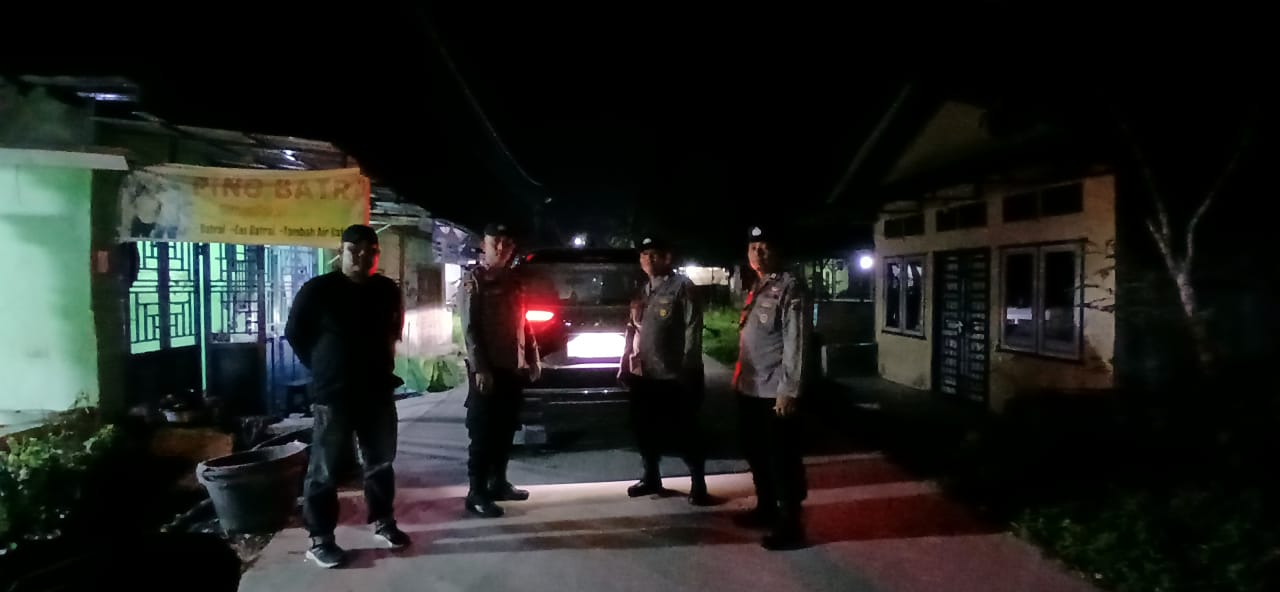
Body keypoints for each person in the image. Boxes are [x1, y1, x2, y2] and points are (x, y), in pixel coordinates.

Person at [284, 224, 411, 568]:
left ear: (376, 256)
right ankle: (320, 539)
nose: (362, 257)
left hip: (377, 390)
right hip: (334, 393)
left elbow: (393, 330)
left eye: (370, 252)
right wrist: (322, 366)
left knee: (380, 462)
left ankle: (383, 521)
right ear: (341, 252)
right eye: (354, 250)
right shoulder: (318, 290)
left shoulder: (386, 290)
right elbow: (295, 333)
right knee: (324, 469)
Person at [731, 224, 812, 550]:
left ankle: (791, 524)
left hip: (775, 391)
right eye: (753, 247)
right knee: (757, 453)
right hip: (750, 387)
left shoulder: (791, 287)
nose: (758, 253)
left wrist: (789, 389)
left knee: (783, 460)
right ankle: (765, 508)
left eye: (764, 247)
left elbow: (797, 343)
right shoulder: (759, 285)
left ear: (778, 251)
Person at [618, 236, 712, 505]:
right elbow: (632, 330)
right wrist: (624, 363)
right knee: (644, 430)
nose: (648, 259)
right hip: (643, 374)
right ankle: (651, 477)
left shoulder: (682, 287)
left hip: (673, 375)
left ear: (666, 258)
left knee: (685, 431)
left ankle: (698, 483)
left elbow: (693, 328)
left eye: (654, 254)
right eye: (644, 254)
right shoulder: (642, 291)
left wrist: (689, 369)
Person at [458, 222, 542, 518]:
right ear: (485, 245)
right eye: (496, 243)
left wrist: (532, 357)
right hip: (488, 370)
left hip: (512, 367)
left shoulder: (514, 281)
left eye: (507, 243)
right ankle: (476, 492)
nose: (502, 248)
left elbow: (524, 322)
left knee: (506, 429)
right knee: (483, 433)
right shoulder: (474, 280)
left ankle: (499, 483)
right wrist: (480, 368)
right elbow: (469, 329)